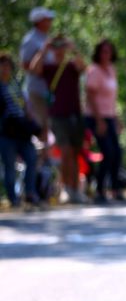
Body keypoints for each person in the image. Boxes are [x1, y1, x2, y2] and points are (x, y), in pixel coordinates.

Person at [29, 34, 88, 204]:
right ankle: (66, 189)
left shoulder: (70, 66)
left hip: (75, 114)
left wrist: (73, 47)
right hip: (58, 115)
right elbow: (33, 69)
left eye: (61, 46)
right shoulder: (48, 68)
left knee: (76, 153)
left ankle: (76, 190)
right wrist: (45, 48)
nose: (59, 49)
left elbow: (84, 67)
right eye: (57, 46)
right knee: (66, 151)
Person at [84, 39, 126, 203]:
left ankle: (115, 188)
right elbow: (91, 97)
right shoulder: (94, 71)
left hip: (109, 116)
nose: (106, 54)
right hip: (96, 117)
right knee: (107, 152)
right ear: (98, 53)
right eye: (103, 51)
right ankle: (100, 190)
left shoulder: (111, 70)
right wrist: (99, 120)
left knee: (117, 152)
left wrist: (116, 118)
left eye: (109, 51)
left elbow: (111, 99)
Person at [0, 52, 41, 210]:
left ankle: (30, 193)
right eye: (2, 66)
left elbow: (25, 107)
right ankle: (13, 198)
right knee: (9, 166)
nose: (5, 69)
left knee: (32, 158)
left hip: (22, 131)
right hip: (5, 133)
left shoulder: (15, 86)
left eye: (8, 66)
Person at [19, 7, 55, 159]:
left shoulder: (46, 38)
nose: (51, 22)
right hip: (36, 92)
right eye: (48, 19)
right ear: (39, 21)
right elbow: (25, 64)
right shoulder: (30, 40)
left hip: (49, 91)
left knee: (49, 130)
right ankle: (39, 164)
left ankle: (45, 165)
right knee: (40, 130)